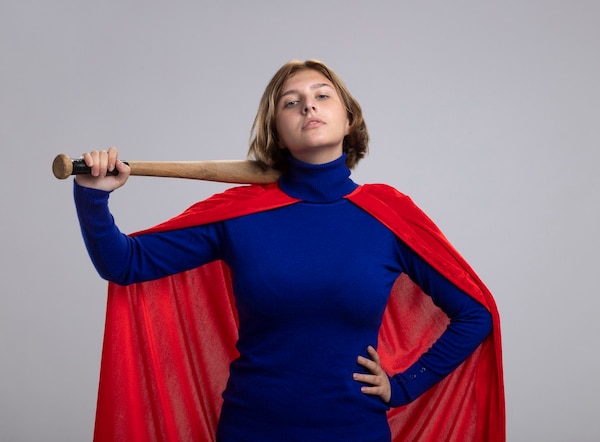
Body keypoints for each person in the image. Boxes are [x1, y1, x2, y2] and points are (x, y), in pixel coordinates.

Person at [73, 60, 505, 441]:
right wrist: (93, 196)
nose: (309, 106)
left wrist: (406, 385)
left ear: (349, 120)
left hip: (355, 432)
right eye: (290, 102)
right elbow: (124, 263)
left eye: (322, 96)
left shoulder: (387, 215)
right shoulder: (238, 214)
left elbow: (475, 314)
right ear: (276, 132)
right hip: (252, 429)